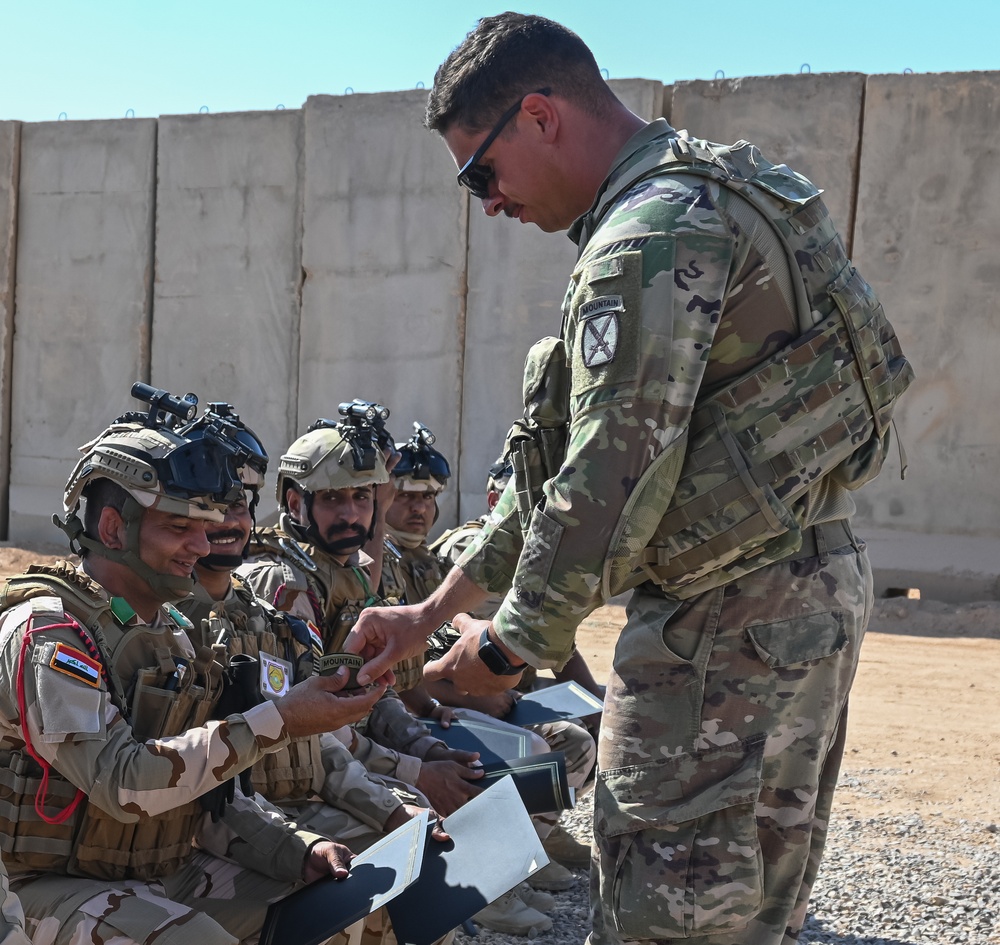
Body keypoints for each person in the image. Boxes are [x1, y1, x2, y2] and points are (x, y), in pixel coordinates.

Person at [346, 13, 913, 945]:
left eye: (479, 173)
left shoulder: (646, 239)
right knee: (748, 905)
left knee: (670, 908)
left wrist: (502, 652)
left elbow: (609, 479)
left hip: (722, 622)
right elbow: (552, 473)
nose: (486, 204)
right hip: (797, 589)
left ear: (539, 115)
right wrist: (432, 611)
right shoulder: (722, 188)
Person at [0, 385, 386, 945]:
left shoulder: (174, 632)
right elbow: (125, 784)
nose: (202, 547)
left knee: (349, 910)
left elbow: (207, 794)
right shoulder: (53, 636)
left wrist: (295, 852)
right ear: (113, 530)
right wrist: (279, 719)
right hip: (42, 887)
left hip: (154, 871)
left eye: (206, 528)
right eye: (180, 529)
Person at [237, 414, 486, 819]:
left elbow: (373, 688)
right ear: (297, 503)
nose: (351, 514)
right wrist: (417, 773)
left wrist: (428, 748)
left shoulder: (348, 572)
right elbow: (303, 720)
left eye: (362, 498)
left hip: (350, 751)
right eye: (333, 499)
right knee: (427, 821)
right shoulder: (284, 584)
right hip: (293, 775)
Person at [387, 428, 596, 879]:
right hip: (417, 710)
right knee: (541, 748)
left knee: (573, 738)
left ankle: (525, 848)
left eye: (427, 497)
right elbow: (394, 673)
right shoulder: (390, 566)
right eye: (405, 496)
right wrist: (465, 699)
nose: (418, 508)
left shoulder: (421, 563)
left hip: (451, 696)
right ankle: (491, 875)